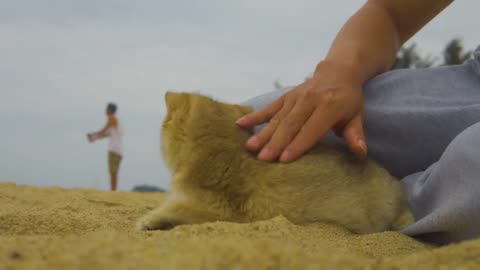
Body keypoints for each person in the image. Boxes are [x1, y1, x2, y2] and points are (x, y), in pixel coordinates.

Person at [237, 0, 480, 244]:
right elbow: (390, 14)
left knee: (471, 162)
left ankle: (394, 213)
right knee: (254, 131)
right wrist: (341, 72)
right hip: (469, 84)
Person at [87, 103, 123, 191]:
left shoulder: (112, 119)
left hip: (114, 149)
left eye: (106, 109)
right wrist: (94, 137)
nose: (105, 110)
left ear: (109, 110)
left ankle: (113, 191)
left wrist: (92, 134)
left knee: (113, 172)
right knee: (113, 172)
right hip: (118, 150)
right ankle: (113, 190)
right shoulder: (114, 123)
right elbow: (104, 134)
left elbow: (103, 130)